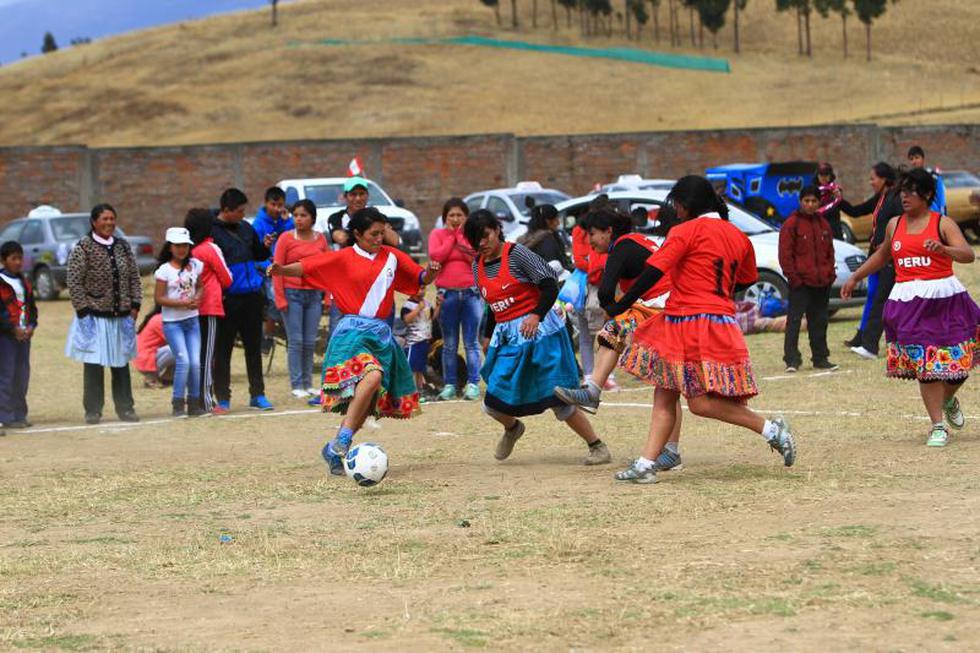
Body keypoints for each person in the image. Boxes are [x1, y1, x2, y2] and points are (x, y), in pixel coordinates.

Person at [610, 176, 796, 484]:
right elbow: (746, 279)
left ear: (683, 205)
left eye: (676, 206)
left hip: (688, 321)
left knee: (695, 401)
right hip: (718, 321)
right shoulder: (738, 236)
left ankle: (771, 430)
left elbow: (655, 269)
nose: (676, 211)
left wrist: (622, 303)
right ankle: (646, 464)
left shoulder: (684, 231)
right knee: (669, 395)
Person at [268, 207, 441, 475]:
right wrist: (280, 270)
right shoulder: (342, 258)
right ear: (357, 234)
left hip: (382, 335)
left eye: (382, 233)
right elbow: (307, 267)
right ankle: (343, 441)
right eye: (374, 233)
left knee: (367, 399)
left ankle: (335, 449)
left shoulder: (393, 257)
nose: (379, 238)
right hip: (352, 333)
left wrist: (430, 272)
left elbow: (420, 278)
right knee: (371, 378)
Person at [464, 209, 612, 466]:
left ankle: (597, 446)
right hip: (509, 339)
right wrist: (487, 336)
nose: (481, 243)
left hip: (541, 333)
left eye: (485, 236)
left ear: (497, 229)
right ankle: (512, 428)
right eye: (475, 239)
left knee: (558, 399)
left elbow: (549, 285)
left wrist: (535, 315)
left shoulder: (517, 254)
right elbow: (492, 305)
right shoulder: (477, 266)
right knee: (492, 402)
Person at [842, 169, 978, 446]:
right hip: (909, 302)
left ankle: (949, 398)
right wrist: (857, 276)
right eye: (902, 191)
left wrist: (943, 249)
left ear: (927, 194)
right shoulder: (894, 224)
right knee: (924, 365)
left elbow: (968, 254)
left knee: (959, 363)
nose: (904, 196)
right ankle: (937, 425)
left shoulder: (943, 223)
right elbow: (883, 254)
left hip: (945, 299)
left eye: (910, 191)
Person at [554, 206, 684, 471]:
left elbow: (604, 293)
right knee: (667, 383)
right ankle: (670, 450)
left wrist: (613, 309)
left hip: (661, 306)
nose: (589, 240)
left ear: (608, 231)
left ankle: (593, 390)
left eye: (592, 233)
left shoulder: (622, 246)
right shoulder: (639, 241)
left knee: (615, 331)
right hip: (672, 306)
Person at [65, 203, 141, 425]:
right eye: (104, 219)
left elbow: (134, 278)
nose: (109, 223)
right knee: (94, 365)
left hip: (121, 315)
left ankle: (126, 408)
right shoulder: (83, 247)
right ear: (94, 222)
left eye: (112, 219)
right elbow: (74, 281)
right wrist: (83, 310)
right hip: (94, 315)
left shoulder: (123, 247)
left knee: (120, 364)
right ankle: (93, 410)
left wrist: (135, 305)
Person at [211, 188, 275, 411]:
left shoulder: (246, 228)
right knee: (223, 350)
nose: (242, 214)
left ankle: (257, 394)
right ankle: (223, 397)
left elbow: (258, 254)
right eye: (238, 211)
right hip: (228, 299)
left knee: (253, 348)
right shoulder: (212, 233)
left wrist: (264, 246)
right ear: (226, 210)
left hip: (252, 298)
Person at [316, 177, 401, 336]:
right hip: (345, 284)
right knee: (340, 337)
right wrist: (371, 232)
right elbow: (340, 238)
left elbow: (394, 240)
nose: (358, 198)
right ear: (345, 196)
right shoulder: (337, 218)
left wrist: (376, 222)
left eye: (362, 194)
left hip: (375, 283)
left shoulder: (378, 216)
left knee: (380, 339)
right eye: (353, 194)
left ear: (367, 195)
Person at [840, 162, 902, 359]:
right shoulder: (880, 197)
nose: (870, 182)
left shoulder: (895, 199)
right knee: (874, 297)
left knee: (882, 299)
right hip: (875, 257)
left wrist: (887, 245)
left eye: (872, 178)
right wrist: (838, 200)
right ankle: (863, 338)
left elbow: (900, 225)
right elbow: (856, 211)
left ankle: (872, 343)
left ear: (884, 179)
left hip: (888, 258)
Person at [778, 184, 838, 373]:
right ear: (800, 202)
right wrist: (794, 278)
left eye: (814, 201)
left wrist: (830, 274)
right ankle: (792, 359)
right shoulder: (791, 224)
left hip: (822, 283)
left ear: (819, 202)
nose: (810, 205)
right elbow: (785, 255)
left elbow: (830, 252)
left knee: (819, 321)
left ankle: (820, 358)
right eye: (807, 201)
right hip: (800, 283)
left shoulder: (823, 224)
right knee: (794, 321)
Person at [272, 199, 329, 399]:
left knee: (309, 341)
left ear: (312, 218)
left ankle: (308, 382)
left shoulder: (321, 239)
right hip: (291, 294)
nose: (298, 219)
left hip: (314, 295)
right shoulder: (285, 239)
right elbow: (276, 269)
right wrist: (280, 298)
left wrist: (327, 296)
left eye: (303, 215)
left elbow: (327, 268)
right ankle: (297, 384)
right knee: (295, 340)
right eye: (296, 215)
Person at [427, 198, 482, 402]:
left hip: (471, 294)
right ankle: (449, 384)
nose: (456, 218)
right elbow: (436, 255)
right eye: (451, 215)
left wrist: (460, 237)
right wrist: (451, 238)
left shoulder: (472, 236)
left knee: (471, 342)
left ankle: (473, 384)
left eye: (460, 215)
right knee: (449, 343)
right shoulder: (437, 235)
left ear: (466, 217)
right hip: (447, 294)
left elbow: (474, 257)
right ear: (445, 218)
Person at [185, 208, 233, 414]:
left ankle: (193, 397)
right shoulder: (209, 248)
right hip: (210, 307)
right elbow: (227, 278)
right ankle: (205, 401)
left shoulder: (189, 249)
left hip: (190, 310)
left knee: (195, 355)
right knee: (207, 356)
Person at [154, 227, 205, 417]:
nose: (181, 249)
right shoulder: (164, 271)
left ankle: (194, 403)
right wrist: (181, 303)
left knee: (195, 362)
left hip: (192, 321)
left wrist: (198, 298)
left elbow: (200, 286)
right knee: (183, 361)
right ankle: (177, 404)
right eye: (177, 245)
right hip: (173, 323)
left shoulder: (195, 265)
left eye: (184, 245)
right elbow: (159, 298)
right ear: (170, 247)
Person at [251, 186, 294, 354]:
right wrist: (267, 265)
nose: (277, 209)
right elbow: (255, 252)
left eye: (280, 205)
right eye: (273, 204)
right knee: (277, 300)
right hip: (267, 272)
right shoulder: (259, 224)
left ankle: (273, 334)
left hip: (285, 269)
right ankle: (271, 334)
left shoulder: (284, 220)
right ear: (266, 203)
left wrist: (287, 220)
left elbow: (291, 235)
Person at [0, 241, 37, 432]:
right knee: (6, 375)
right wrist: (12, 328)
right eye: (13, 258)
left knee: (22, 375)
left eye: (20, 258)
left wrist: (31, 326)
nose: (18, 262)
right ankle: (4, 415)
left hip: (24, 337)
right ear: (3, 260)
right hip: (6, 337)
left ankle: (19, 414)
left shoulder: (24, 281)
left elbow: (32, 309)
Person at [401, 290, 440, 399]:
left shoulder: (426, 303)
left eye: (423, 288)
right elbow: (406, 319)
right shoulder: (408, 305)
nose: (421, 292)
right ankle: (411, 392)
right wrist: (418, 309)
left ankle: (419, 390)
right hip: (413, 342)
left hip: (425, 341)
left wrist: (438, 306)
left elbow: (432, 318)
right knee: (412, 368)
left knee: (420, 369)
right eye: (418, 289)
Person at [518, 203, 572, 274]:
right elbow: (555, 265)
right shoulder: (547, 240)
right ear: (548, 221)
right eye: (556, 219)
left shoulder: (530, 237)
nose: (558, 223)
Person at [134, 307, 174, 388]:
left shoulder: (159, 317)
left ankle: (167, 377)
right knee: (178, 349)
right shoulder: (161, 319)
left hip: (146, 358)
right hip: (146, 360)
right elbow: (173, 340)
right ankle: (151, 377)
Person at [907, 145, 947, 215]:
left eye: (917, 158)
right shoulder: (908, 180)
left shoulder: (934, 177)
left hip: (934, 215)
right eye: (911, 159)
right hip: (916, 216)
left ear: (923, 159)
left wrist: (943, 216)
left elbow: (942, 199)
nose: (914, 161)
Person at [815, 162, 844, 240]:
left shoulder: (835, 189)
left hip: (834, 228)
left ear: (830, 176)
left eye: (826, 174)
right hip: (818, 227)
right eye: (821, 175)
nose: (824, 177)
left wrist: (837, 197)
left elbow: (841, 206)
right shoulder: (813, 191)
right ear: (817, 176)